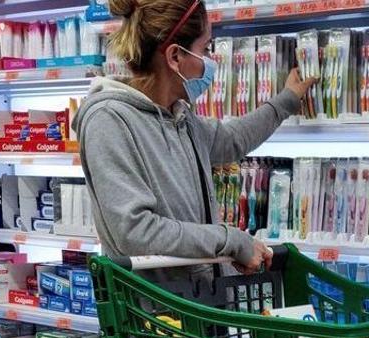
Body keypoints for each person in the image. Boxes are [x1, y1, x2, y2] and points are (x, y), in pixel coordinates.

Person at [74, 0, 316, 282]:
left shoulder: (178, 117)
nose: (210, 62)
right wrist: (230, 241)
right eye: (205, 49)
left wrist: (286, 101)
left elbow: (232, 140)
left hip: (200, 306)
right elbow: (135, 232)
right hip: (154, 316)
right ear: (175, 56)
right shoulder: (108, 120)